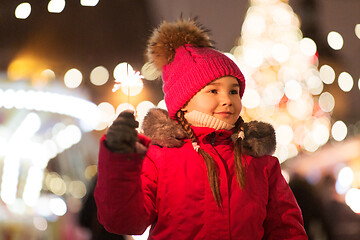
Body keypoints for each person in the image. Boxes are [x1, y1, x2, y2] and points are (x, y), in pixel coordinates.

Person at [94, 19, 307, 240]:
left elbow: (286, 229)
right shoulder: (160, 157)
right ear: (184, 101)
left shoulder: (260, 162)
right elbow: (125, 220)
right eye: (213, 91)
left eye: (233, 91)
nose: (227, 100)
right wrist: (118, 160)